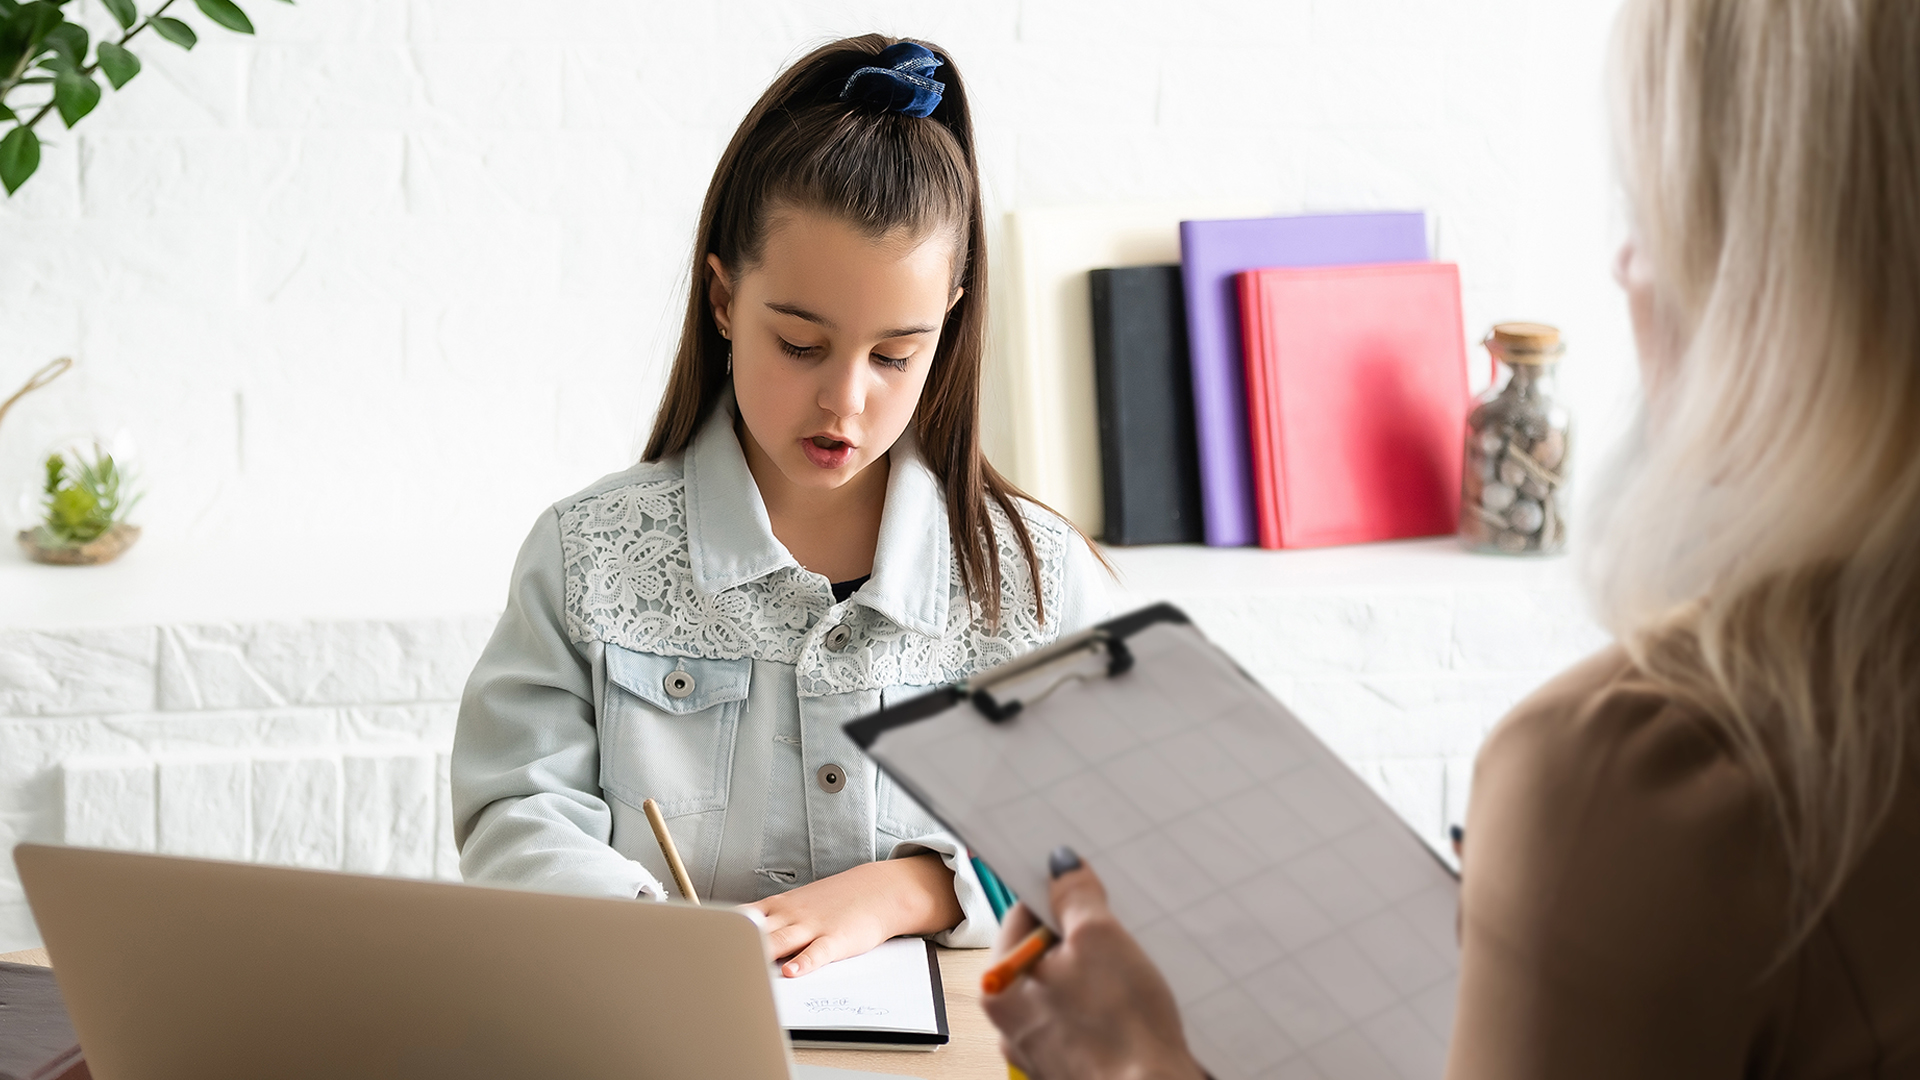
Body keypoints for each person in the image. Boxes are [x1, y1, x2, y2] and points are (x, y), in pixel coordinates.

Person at [980, 0, 1920, 1074]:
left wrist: (1140, 1060)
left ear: (1786, 281)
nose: (1622, 269)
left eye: (1659, 217)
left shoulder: (1645, 773)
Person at [450, 35, 1109, 979]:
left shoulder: (1040, 581)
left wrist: (912, 888)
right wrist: (657, 942)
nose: (846, 400)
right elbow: (514, 813)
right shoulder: (586, 557)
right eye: (801, 344)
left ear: (950, 324)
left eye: (895, 356)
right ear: (724, 299)